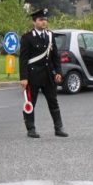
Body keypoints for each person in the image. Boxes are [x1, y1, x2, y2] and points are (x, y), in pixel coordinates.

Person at [18, 8, 68, 138]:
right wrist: (23, 77)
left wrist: (58, 72)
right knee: (30, 102)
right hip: (33, 75)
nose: (44, 22)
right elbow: (23, 59)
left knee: (53, 101)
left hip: (48, 76)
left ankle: (59, 128)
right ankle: (31, 129)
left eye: (45, 20)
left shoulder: (50, 36)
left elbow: (55, 56)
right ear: (34, 22)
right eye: (41, 20)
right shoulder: (27, 37)